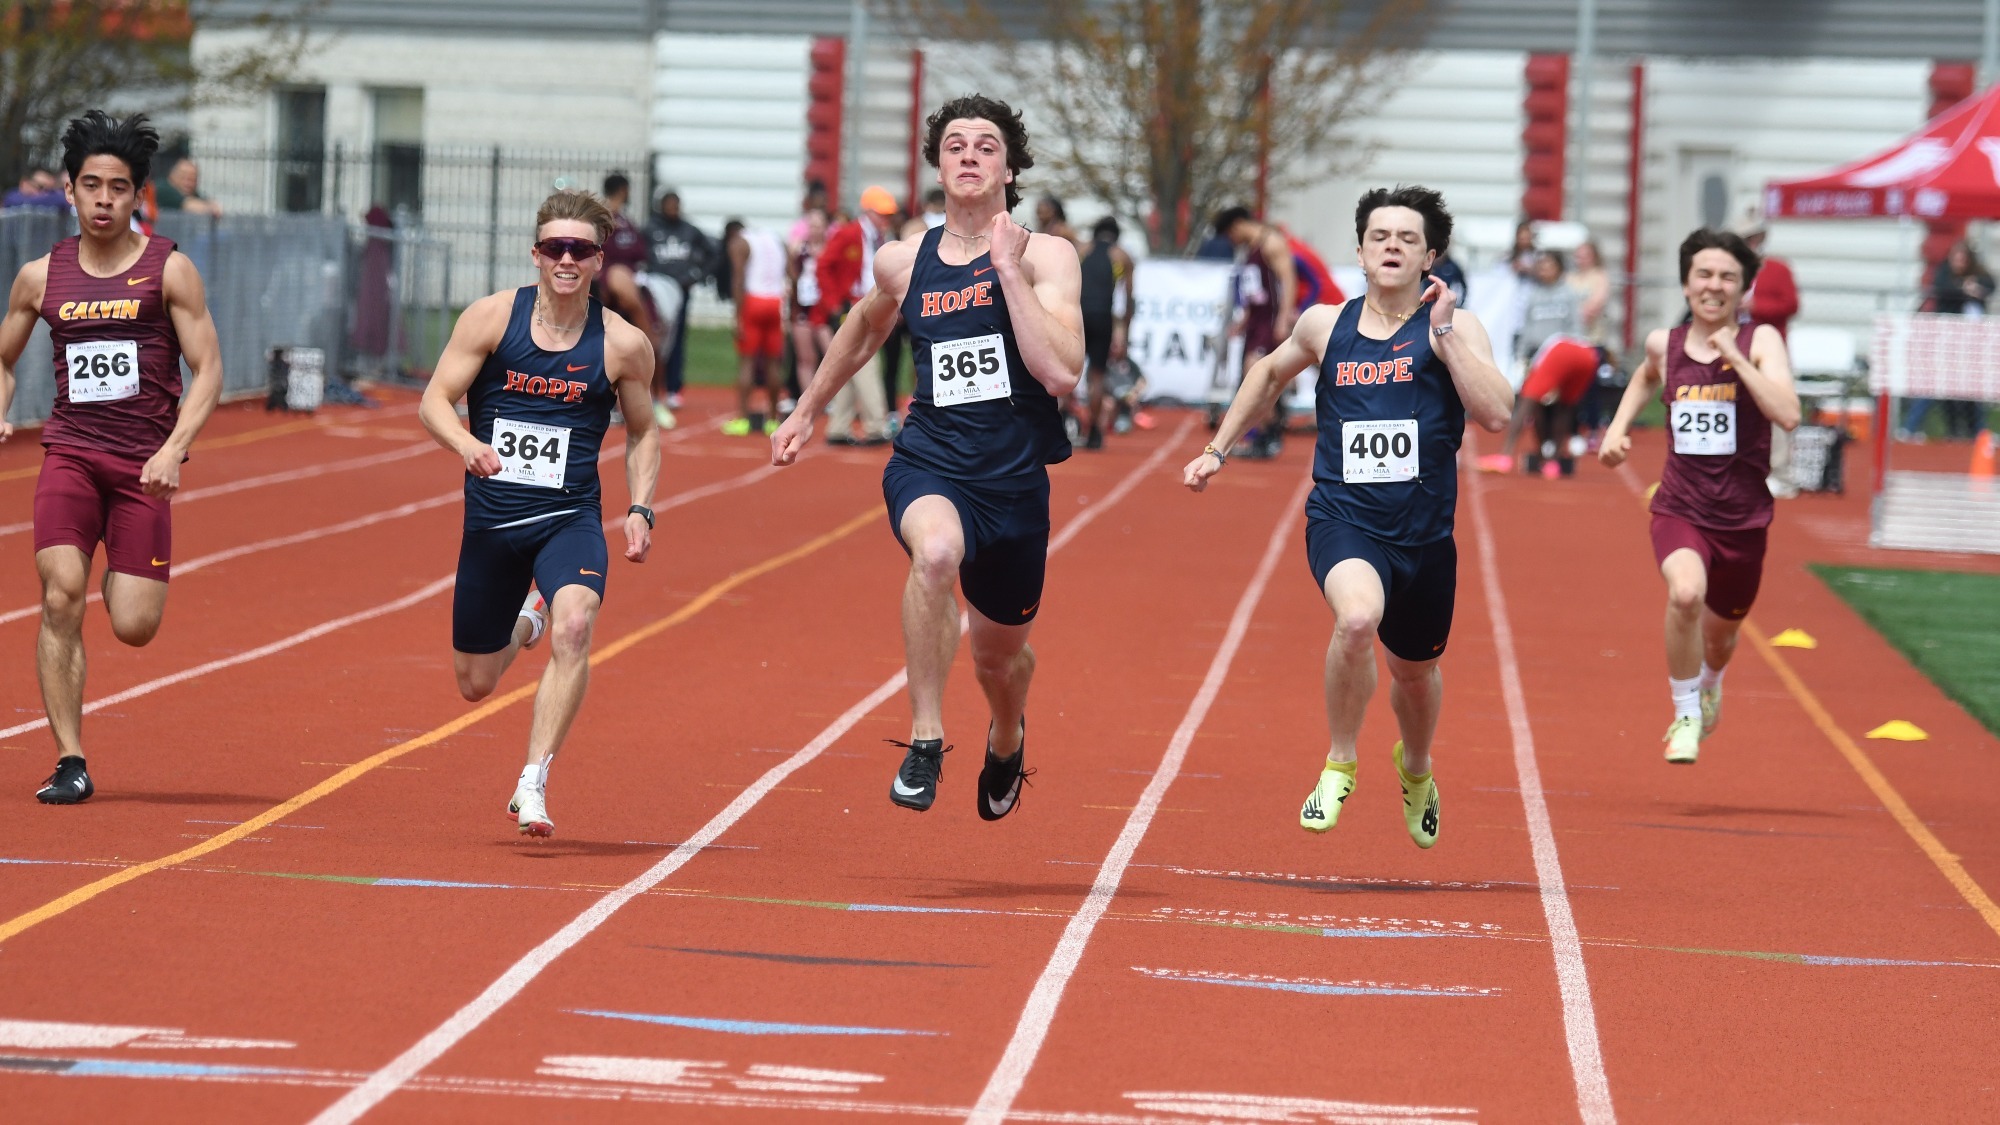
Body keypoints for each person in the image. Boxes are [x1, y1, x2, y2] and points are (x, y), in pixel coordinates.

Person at [770, 94, 1081, 818]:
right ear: (938, 168)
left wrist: (1007, 271)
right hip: (930, 460)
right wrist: (807, 408)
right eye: (955, 145)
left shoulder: (1047, 257)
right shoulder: (904, 260)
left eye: (986, 145)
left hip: (1014, 484)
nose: (970, 155)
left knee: (998, 660)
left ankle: (1007, 734)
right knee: (935, 554)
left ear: (1009, 168)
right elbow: (861, 327)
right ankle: (925, 738)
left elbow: (1062, 372)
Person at [1184, 185, 1513, 848]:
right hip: (1345, 519)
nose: (1392, 246)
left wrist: (1445, 333)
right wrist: (1218, 448)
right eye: (1379, 237)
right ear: (1360, 253)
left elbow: (1497, 413)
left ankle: (1415, 768)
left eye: (1408, 238)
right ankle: (1340, 761)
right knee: (1357, 619)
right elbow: (1266, 372)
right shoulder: (1325, 325)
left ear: (1430, 257)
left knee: (1414, 675)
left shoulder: (1457, 327)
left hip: (1425, 535)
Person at [418, 189, 660, 835]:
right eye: (555, 247)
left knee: (575, 624)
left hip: (569, 517)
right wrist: (466, 444)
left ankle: (533, 780)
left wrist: (641, 507)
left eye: (579, 248)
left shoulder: (622, 343)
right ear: (536, 253)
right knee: (475, 683)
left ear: (599, 259)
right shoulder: (492, 318)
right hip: (493, 522)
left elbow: (644, 431)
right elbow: (435, 400)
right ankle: (528, 622)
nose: (566, 258)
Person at [0, 111, 225, 804]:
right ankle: (70, 759)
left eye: (118, 188)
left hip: (142, 470)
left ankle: (115, 575)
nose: (103, 200)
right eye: (92, 185)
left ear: (137, 195)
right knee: (58, 594)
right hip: (70, 453)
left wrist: (174, 449)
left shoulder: (169, 269)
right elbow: (3, 359)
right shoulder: (40, 277)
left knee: (133, 625)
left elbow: (209, 368)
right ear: (69, 190)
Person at [1598, 228, 1799, 764]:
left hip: (1744, 518)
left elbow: (1788, 414)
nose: (1714, 285)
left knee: (1720, 639)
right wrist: (1617, 428)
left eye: (1727, 277)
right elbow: (1645, 377)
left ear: (1743, 288)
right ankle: (1685, 714)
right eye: (1703, 274)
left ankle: (1710, 682)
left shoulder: (1761, 342)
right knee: (1686, 594)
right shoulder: (1664, 344)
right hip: (1680, 507)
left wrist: (1736, 357)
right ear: (1686, 285)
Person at [1483, 250, 1588, 477]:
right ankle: (1540, 453)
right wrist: (1521, 356)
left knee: (1559, 408)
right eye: (1541, 266)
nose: (1544, 270)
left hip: (1560, 357)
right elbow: (1526, 328)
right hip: (1537, 357)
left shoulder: (1569, 294)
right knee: (1535, 407)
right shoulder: (1533, 295)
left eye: (1549, 265)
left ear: (1559, 268)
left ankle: (1550, 457)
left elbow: (1576, 327)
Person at [812, 185, 900, 445]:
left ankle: (838, 426)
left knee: (850, 364)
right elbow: (823, 266)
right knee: (866, 362)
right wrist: (832, 304)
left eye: (887, 214)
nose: (885, 219)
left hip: (870, 304)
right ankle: (876, 425)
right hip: (851, 306)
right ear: (868, 211)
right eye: (881, 214)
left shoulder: (880, 236)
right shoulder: (849, 233)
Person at [1214, 206, 1300, 459]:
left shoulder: (1271, 242)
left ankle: (1271, 433)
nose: (1232, 241)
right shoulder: (1250, 249)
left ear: (1237, 225)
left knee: (1257, 377)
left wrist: (1283, 319)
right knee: (1251, 380)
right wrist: (1244, 320)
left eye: (1230, 235)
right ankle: (1264, 434)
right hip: (1255, 322)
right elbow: (1256, 289)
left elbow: (1289, 280)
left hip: (1269, 323)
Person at [597, 173, 670, 429]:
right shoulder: (602, 219)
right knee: (614, 347)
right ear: (623, 190)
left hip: (636, 284)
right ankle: (611, 404)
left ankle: (654, 399)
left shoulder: (626, 220)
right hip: (614, 291)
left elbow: (640, 252)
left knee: (652, 344)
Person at [646, 190, 714, 409]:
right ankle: (651, 385)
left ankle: (673, 388)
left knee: (676, 340)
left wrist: (697, 275)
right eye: (670, 205)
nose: (674, 209)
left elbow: (713, 251)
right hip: (656, 289)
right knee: (654, 337)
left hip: (680, 290)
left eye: (676, 205)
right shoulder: (650, 229)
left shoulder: (689, 230)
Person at [725, 221, 789, 435]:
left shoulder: (740, 243)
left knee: (747, 361)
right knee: (773, 362)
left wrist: (737, 316)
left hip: (754, 300)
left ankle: (743, 419)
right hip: (776, 301)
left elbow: (738, 278)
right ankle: (772, 419)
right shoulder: (776, 240)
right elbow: (793, 274)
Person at [1079, 214, 1135, 449]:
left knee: (1066, 373)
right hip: (1103, 317)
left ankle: (1062, 422)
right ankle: (1094, 430)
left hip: (1077, 316)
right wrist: (1126, 336)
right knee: (1097, 375)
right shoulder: (1122, 256)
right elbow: (1129, 300)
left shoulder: (1081, 250)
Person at [152, 157, 220, 217]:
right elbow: (189, 205)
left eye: (193, 180)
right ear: (173, 177)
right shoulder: (163, 189)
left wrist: (212, 204)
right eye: (184, 178)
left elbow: (202, 200)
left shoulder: (189, 192)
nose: (188, 184)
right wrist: (210, 208)